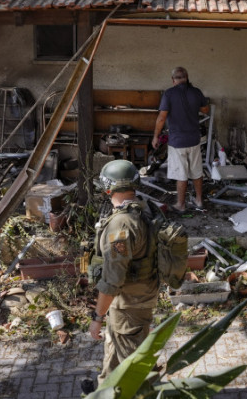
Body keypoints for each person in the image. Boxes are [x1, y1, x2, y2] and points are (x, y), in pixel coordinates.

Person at [84, 160, 160, 394]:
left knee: (132, 365)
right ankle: (104, 389)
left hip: (130, 303)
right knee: (118, 349)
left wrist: (98, 317)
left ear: (108, 188)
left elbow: (113, 279)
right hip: (143, 294)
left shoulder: (120, 226)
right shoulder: (144, 207)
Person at [152, 67, 210, 212]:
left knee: (181, 174)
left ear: (173, 80)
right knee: (197, 171)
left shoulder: (169, 93)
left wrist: (156, 136)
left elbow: (161, 118)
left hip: (177, 142)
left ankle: (181, 204)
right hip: (194, 139)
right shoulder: (196, 92)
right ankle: (198, 200)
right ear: (187, 77)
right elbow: (205, 110)